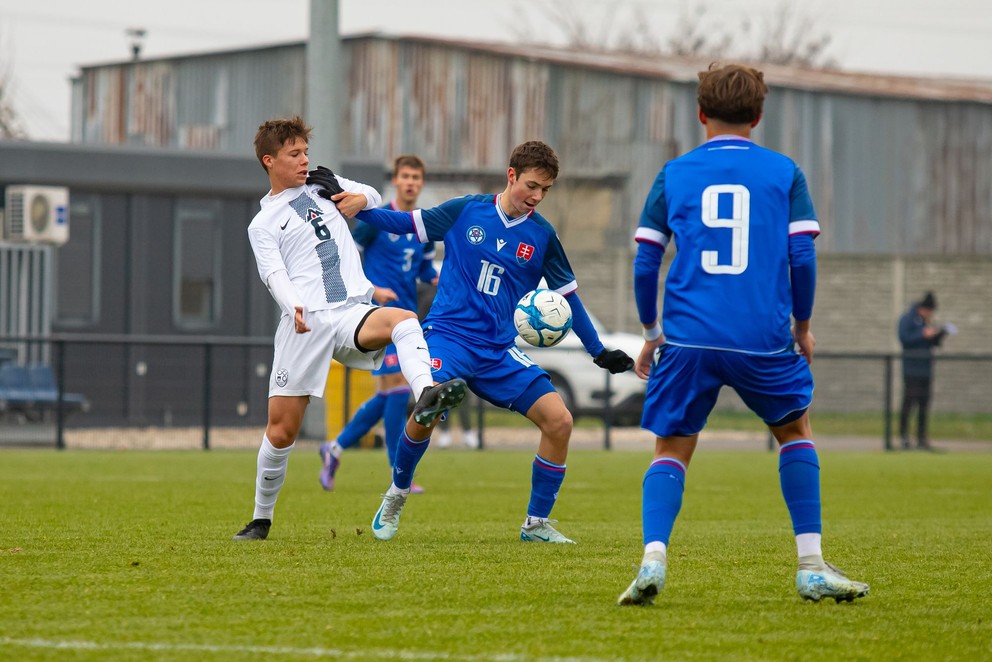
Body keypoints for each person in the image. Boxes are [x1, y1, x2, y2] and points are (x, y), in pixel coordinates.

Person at [619, 64, 869, 605]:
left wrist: (650, 332)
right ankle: (810, 566)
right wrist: (802, 327)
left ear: (701, 112)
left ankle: (653, 560)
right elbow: (801, 254)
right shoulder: (784, 172)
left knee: (672, 449)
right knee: (795, 432)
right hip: (762, 337)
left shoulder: (675, 173)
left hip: (687, 339)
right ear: (758, 115)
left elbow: (645, 260)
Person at [308, 140, 634, 544]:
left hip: (499, 352)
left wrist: (597, 351)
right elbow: (405, 224)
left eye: (545, 190)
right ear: (511, 175)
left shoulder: (543, 235)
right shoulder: (466, 210)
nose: (537, 196)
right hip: (448, 338)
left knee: (560, 421)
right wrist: (361, 208)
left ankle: (535, 524)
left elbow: (569, 298)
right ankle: (397, 493)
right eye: (532, 185)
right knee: (427, 406)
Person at [232, 117, 466, 541]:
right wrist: (294, 305)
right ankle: (260, 519)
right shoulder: (262, 223)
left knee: (404, 320)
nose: (305, 160)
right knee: (282, 431)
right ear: (269, 161)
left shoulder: (322, 181)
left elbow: (373, 194)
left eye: (305, 152)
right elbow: (273, 275)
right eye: (294, 154)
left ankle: (426, 394)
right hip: (305, 323)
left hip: (350, 312)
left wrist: (360, 197)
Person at [318, 155, 439, 494]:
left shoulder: (422, 226)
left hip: (406, 320)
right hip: (372, 315)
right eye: (405, 176)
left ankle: (335, 448)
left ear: (421, 183)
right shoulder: (377, 219)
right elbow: (348, 256)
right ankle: (395, 472)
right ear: (396, 181)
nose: (411, 181)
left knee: (390, 395)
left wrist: (446, 278)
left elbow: (426, 273)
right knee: (398, 392)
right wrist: (372, 288)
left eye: (417, 176)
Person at [897, 291, 949, 451]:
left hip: (926, 369)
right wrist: (923, 334)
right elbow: (904, 338)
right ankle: (904, 437)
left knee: (924, 404)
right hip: (912, 369)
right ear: (922, 308)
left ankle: (921, 438)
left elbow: (933, 343)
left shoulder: (927, 322)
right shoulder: (907, 319)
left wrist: (939, 335)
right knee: (909, 402)